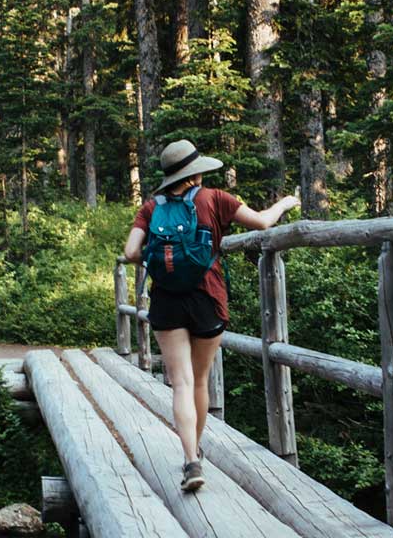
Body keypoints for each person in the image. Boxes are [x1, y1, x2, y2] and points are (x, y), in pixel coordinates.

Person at [122, 139, 300, 492]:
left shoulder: (151, 207)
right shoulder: (215, 199)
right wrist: (287, 202)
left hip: (166, 301)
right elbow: (263, 223)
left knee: (181, 382)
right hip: (207, 298)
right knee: (199, 382)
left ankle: (190, 459)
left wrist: (162, 262)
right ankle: (195, 452)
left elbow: (130, 252)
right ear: (196, 171)